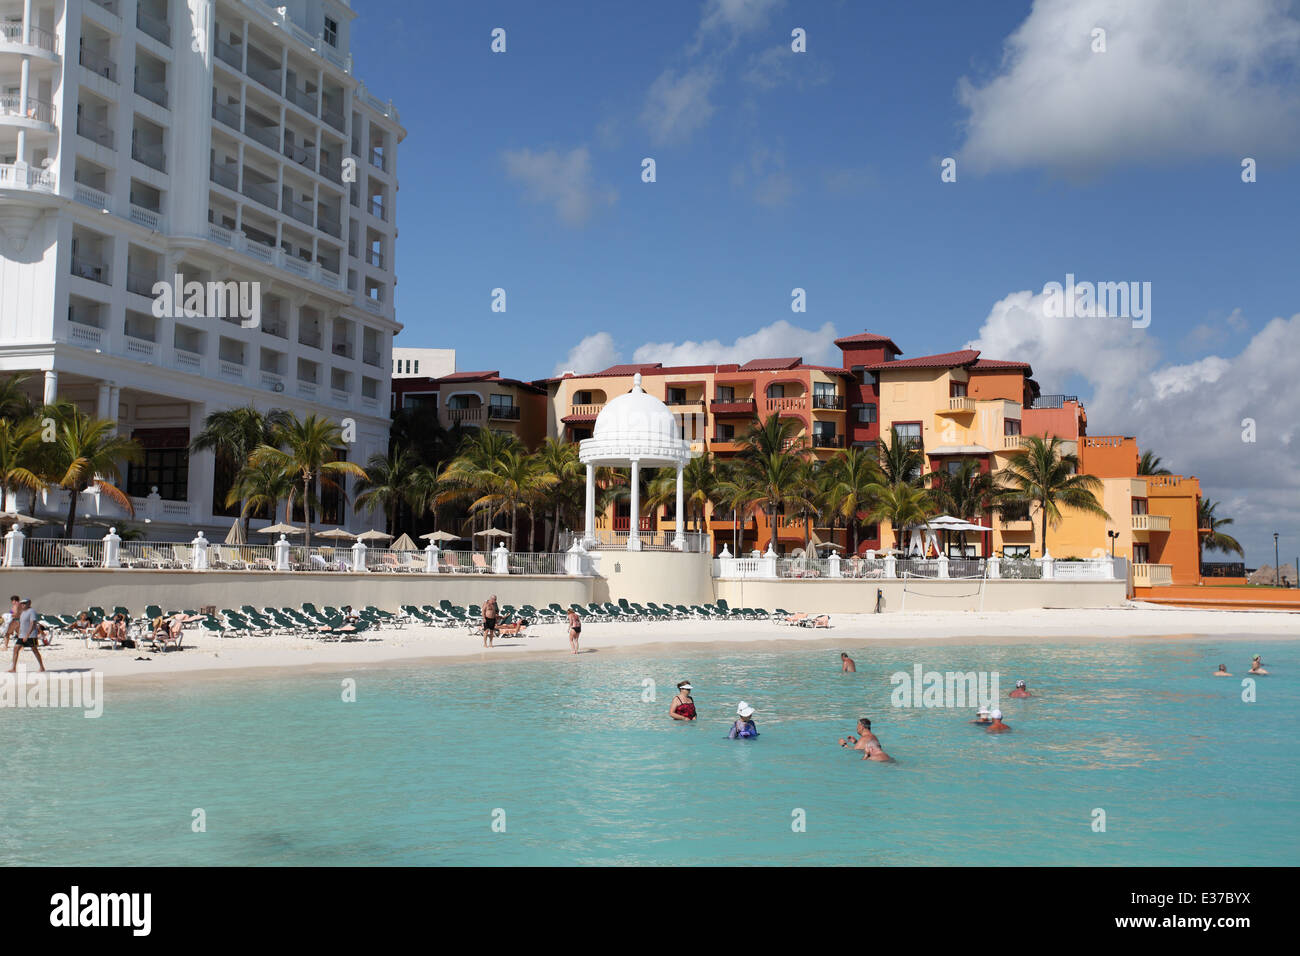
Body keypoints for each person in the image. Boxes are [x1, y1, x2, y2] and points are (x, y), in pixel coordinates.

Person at [7, 597, 44, 672]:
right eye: (22, 603)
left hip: (31, 635)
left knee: (34, 650)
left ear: (29, 603)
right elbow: (21, 624)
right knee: (16, 648)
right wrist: (16, 632)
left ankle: (42, 667)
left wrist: (27, 635)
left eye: (24, 603)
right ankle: (13, 668)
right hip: (22, 635)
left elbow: (33, 623)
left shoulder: (32, 611)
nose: (23, 605)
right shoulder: (23, 612)